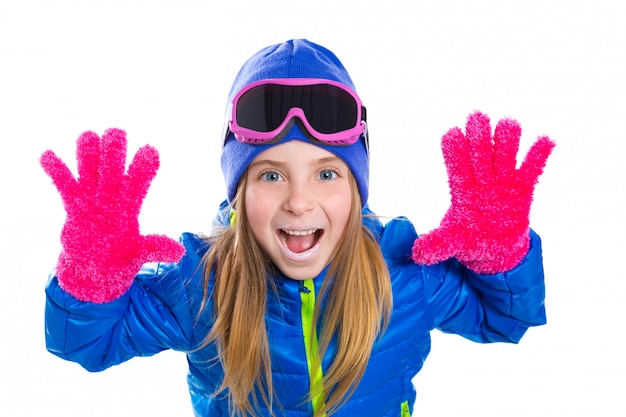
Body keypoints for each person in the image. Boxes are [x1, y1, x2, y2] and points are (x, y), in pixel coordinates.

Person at [41, 39, 555, 417]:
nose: (299, 200)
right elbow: (86, 344)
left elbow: (506, 320)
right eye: (270, 175)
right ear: (238, 194)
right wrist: (92, 278)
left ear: (357, 190)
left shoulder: (403, 278)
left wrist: (500, 254)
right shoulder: (200, 289)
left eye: (327, 172)